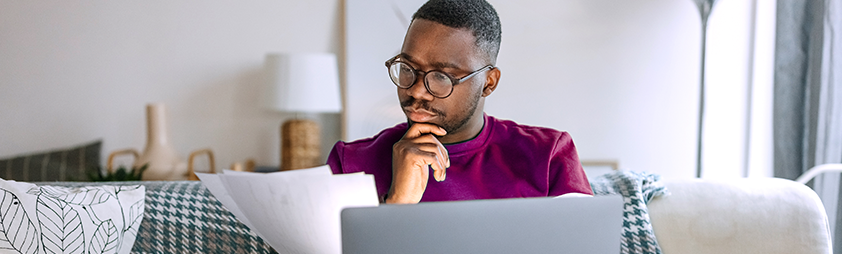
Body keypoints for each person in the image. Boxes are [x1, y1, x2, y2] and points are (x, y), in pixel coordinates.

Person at [327, 0, 592, 204]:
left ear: (488, 83)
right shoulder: (350, 164)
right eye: (408, 68)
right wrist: (395, 205)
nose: (418, 91)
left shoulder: (548, 157)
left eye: (442, 76)